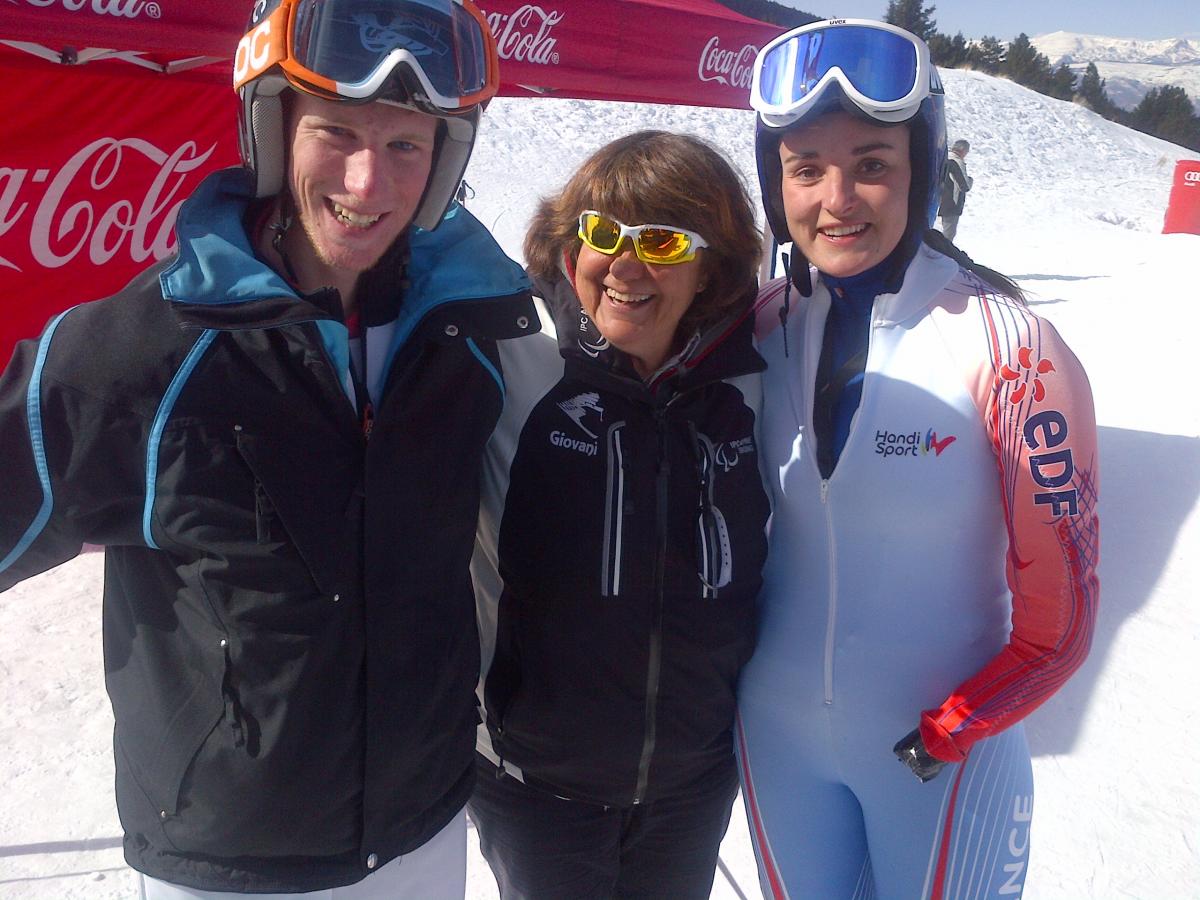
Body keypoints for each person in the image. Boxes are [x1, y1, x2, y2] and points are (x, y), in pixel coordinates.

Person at [0, 0, 536, 896]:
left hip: (425, 830)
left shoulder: (473, 330)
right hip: (231, 861)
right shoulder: (147, 349)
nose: (369, 184)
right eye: (336, 132)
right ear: (272, 124)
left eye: (407, 145)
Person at [737, 19, 1100, 899]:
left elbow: (1062, 623)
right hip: (774, 746)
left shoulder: (1012, 348)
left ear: (922, 170)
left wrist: (952, 730)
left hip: (940, 763)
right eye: (806, 167)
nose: (838, 198)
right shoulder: (755, 327)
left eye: (872, 162)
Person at [467, 130, 771, 899]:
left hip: (691, 787)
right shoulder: (506, 357)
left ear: (712, 269)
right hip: (537, 786)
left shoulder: (753, 384)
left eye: (664, 241)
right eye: (603, 234)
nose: (625, 266)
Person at [938, 138, 973, 241]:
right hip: (951, 204)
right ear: (963, 150)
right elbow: (965, 186)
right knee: (948, 236)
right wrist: (970, 180)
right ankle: (943, 255)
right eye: (966, 151)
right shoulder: (957, 162)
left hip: (939, 200)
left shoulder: (943, 158)